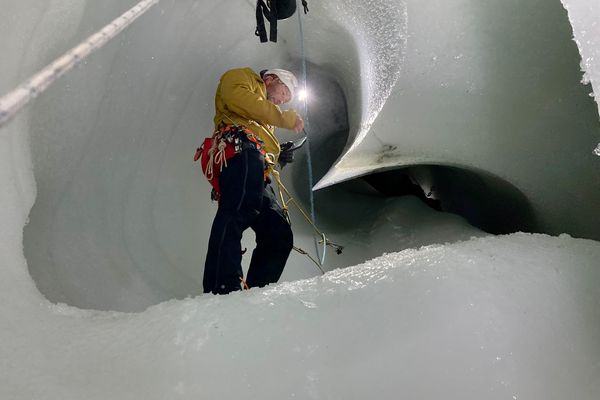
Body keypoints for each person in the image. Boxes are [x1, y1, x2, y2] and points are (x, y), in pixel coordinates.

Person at [201, 67, 304, 295]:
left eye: (286, 100)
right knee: (237, 211)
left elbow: (259, 122)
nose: (281, 101)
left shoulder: (265, 115)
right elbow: (239, 99)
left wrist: (278, 153)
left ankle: (256, 293)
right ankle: (222, 287)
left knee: (278, 233)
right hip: (240, 151)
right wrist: (284, 118)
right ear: (270, 79)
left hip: (257, 166)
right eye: (283, 93)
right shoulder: (242, 77)